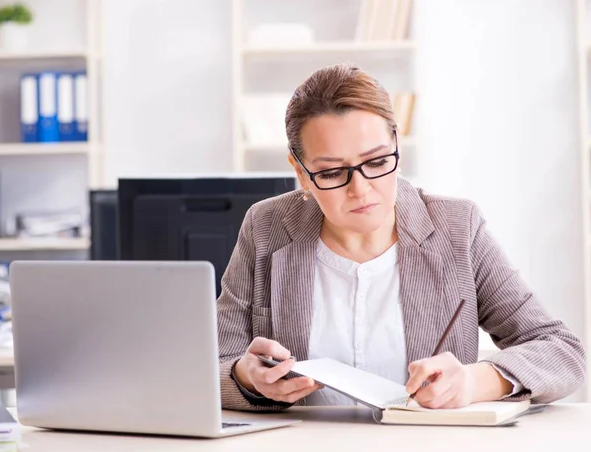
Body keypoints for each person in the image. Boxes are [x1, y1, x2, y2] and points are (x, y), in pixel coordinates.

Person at [217, 63, 586, 411]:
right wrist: (246, 378)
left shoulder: (457, 227)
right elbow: (214, 365)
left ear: (396, 145)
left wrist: (475, 382)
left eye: (377, 162)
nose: (360, 189)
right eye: (331, 173)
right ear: (300, 171)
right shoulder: (265, 227)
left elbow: (562, 353)